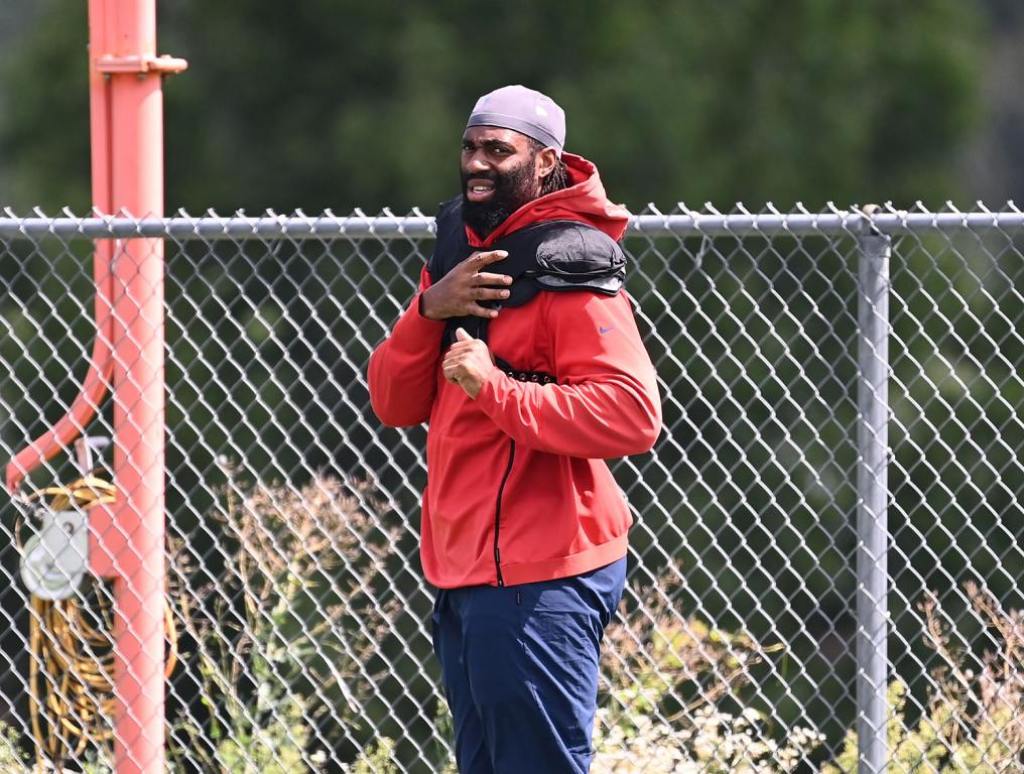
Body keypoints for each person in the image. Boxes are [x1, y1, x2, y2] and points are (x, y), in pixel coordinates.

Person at [367, 84, 661, 773]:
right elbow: (392, 401)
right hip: (467, 574)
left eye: (498, 150)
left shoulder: (571, 263)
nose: (476, 163)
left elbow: (631, 413)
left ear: (546, 162)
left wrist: (495, 391)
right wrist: (430, 309)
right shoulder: (459, 257)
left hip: (540, 578)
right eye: (470, 146)